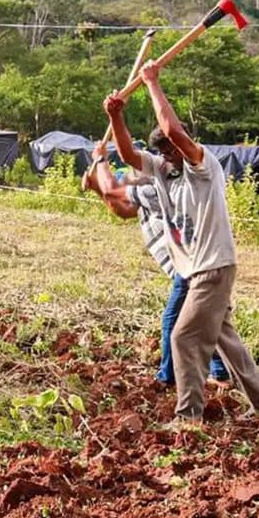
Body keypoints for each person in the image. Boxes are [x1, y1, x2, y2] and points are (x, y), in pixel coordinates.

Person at [105, 60, 259, 421]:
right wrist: (116, 117)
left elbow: (174, 129)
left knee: (183, 337)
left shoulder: (203, 165)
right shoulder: (162, 170)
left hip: (212, 267)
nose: (170, 157)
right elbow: (125, 155)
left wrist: (152, 83)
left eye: (173, 149)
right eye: (165, 153)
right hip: (195, 270)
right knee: (225, 342)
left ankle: (189, 420)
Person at [82, 142, 229, 386]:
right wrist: (98, 188)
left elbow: (114, 191)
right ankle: (221, 372)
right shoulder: (143, 191)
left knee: (173, 319)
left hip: (191, 264)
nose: (127, 177)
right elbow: (122, 209)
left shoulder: (155, 186)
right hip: (192, 262)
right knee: (207, 316)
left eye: (129, 174)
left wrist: (100, 162)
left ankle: (168, 377)